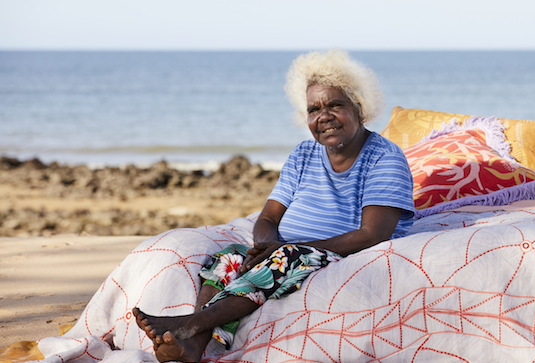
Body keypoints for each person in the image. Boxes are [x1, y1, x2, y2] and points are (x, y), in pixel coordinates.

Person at [132, 49, 415, 362]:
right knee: (227, 258)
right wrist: (268, 244)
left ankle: (191, 324)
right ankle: (193, 346)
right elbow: (268, 216)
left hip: (341, 253)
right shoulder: (304, 154)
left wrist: (285, 249)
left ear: (359, 109)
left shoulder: (385, 159)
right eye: (314, 109)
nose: (324, 116)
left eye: (336, 105)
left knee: (287, 259)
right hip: (289, 249)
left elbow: (371, 235)